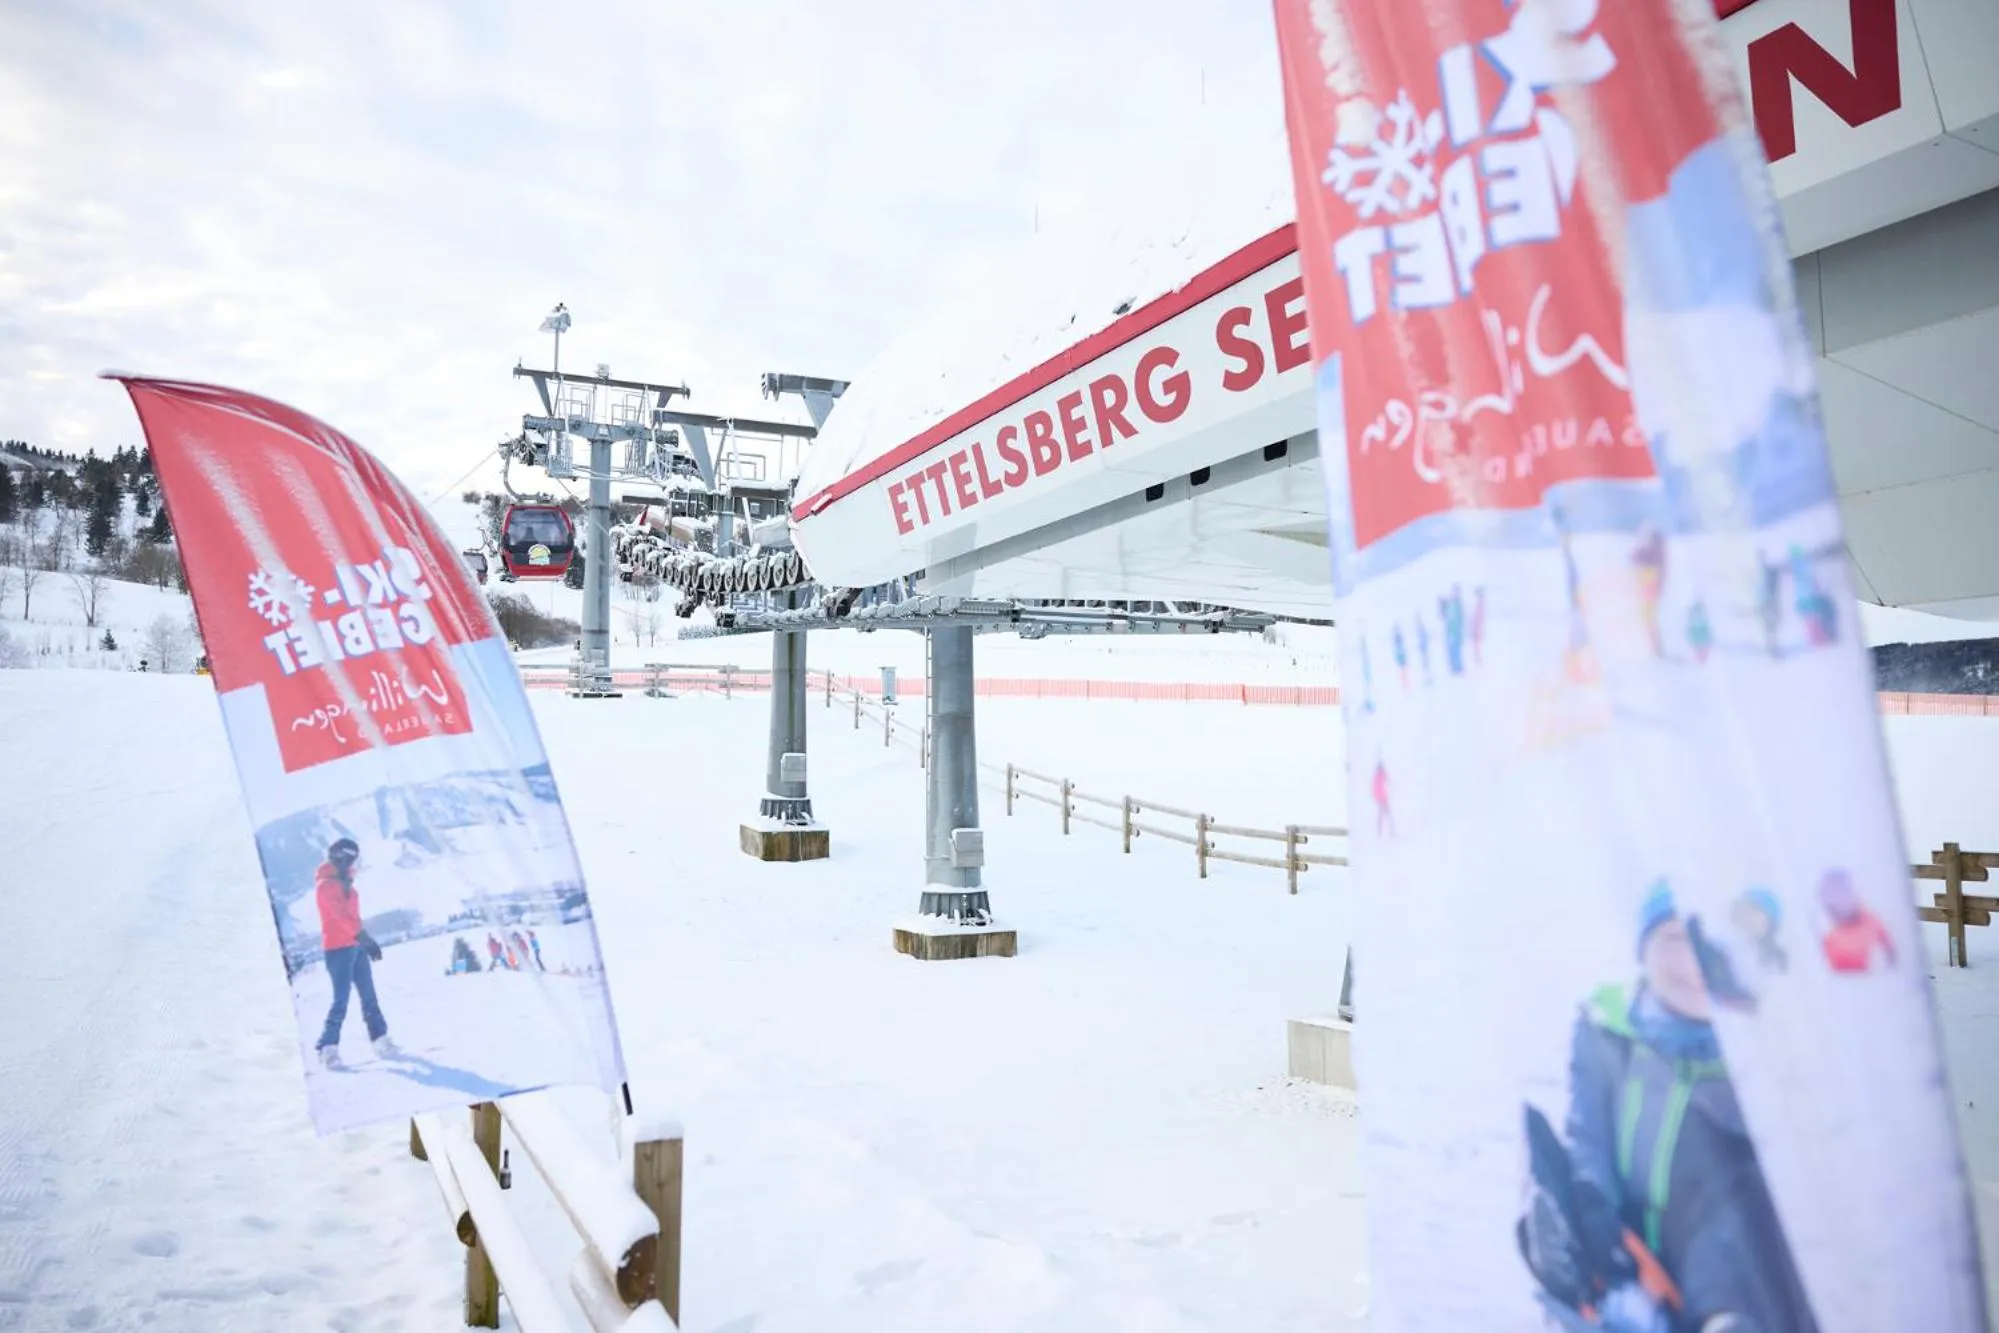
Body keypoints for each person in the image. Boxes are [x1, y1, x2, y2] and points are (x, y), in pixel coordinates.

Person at [1526, 883, 1817, 1332]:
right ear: (1644, 949)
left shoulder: (1767, 1050)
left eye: (1713, 945)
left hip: (1753, 1279)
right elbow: (1590, 1139)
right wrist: (1592, 1209)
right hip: (1645, 1260)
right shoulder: (1610, 1031)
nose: (1693, 963)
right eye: (1675, 939)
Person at [314, 839, 398, 1069]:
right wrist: (365, 939)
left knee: (369, 996)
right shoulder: (325, 886)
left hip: (355, 947)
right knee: (341, 999)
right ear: (342, 858)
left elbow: (354, 918)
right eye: (352, 860)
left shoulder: (346, 884)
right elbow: (340, 918)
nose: (355, 865)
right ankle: (327, 1047)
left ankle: (379, 1039)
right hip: (337, 949)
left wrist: (364, 942)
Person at [1819, 869, 1895, 973]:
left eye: (1842, 895)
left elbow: (1891, 954)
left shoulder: (1870, 921)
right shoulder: (1825, 934)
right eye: (1832, 901)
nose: (1840, 902)